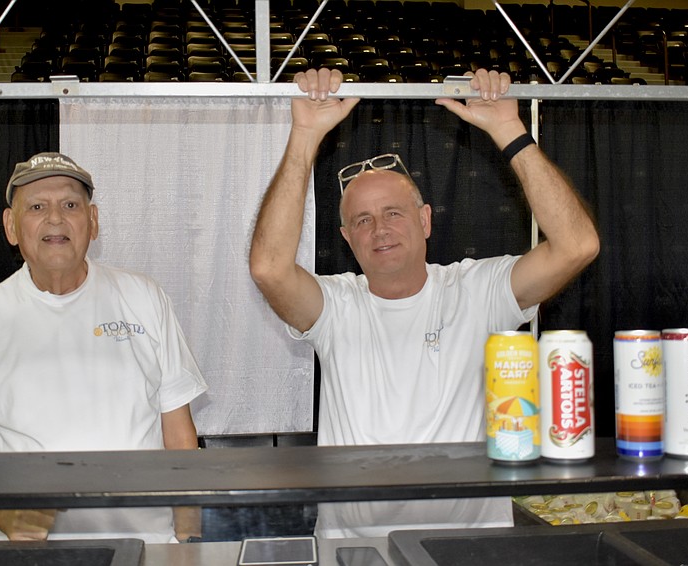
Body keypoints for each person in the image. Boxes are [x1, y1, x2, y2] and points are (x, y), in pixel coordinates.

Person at [249, 68, 599, 537]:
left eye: (393, 213)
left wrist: (509, 131)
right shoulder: (336, 306)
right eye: (363, 220)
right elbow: (270, 268)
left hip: (469, 549)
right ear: (346, 239)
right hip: (355, 551)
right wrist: (304, 136)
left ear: (426, 220)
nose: (380, 229)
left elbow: (577, 245)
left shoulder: (476, 291)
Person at [0, 152, 208, 542]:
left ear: (93, 221)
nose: (55, 218)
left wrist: (189, 542)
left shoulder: (144, 297)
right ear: (11, 227)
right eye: (37, 206)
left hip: (146, 548)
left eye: (70, 205)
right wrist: (3, 516)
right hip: (31, 557)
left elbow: (179, 436)